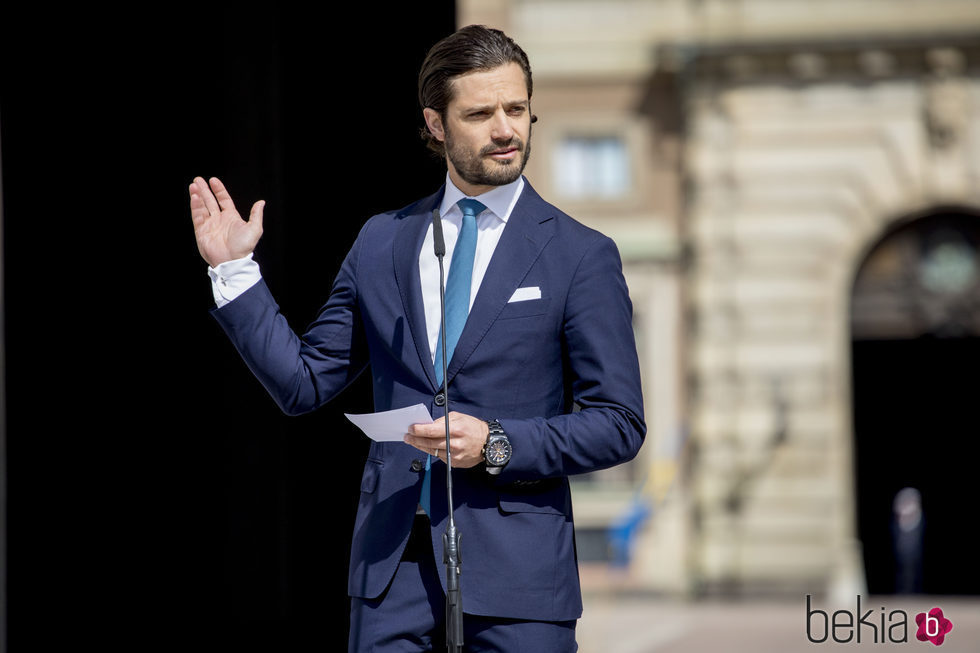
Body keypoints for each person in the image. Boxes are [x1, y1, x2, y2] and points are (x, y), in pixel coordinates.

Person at [189, 24, 645, 652]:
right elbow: (303, 382)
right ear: (435, 125)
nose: (505, 129)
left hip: (520, 577)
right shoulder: (383, 240)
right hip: (391, 571)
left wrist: (497, 443)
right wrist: (234, 271)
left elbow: (618, 421)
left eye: (516, 109)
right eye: (480, 113)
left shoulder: (581, 255)